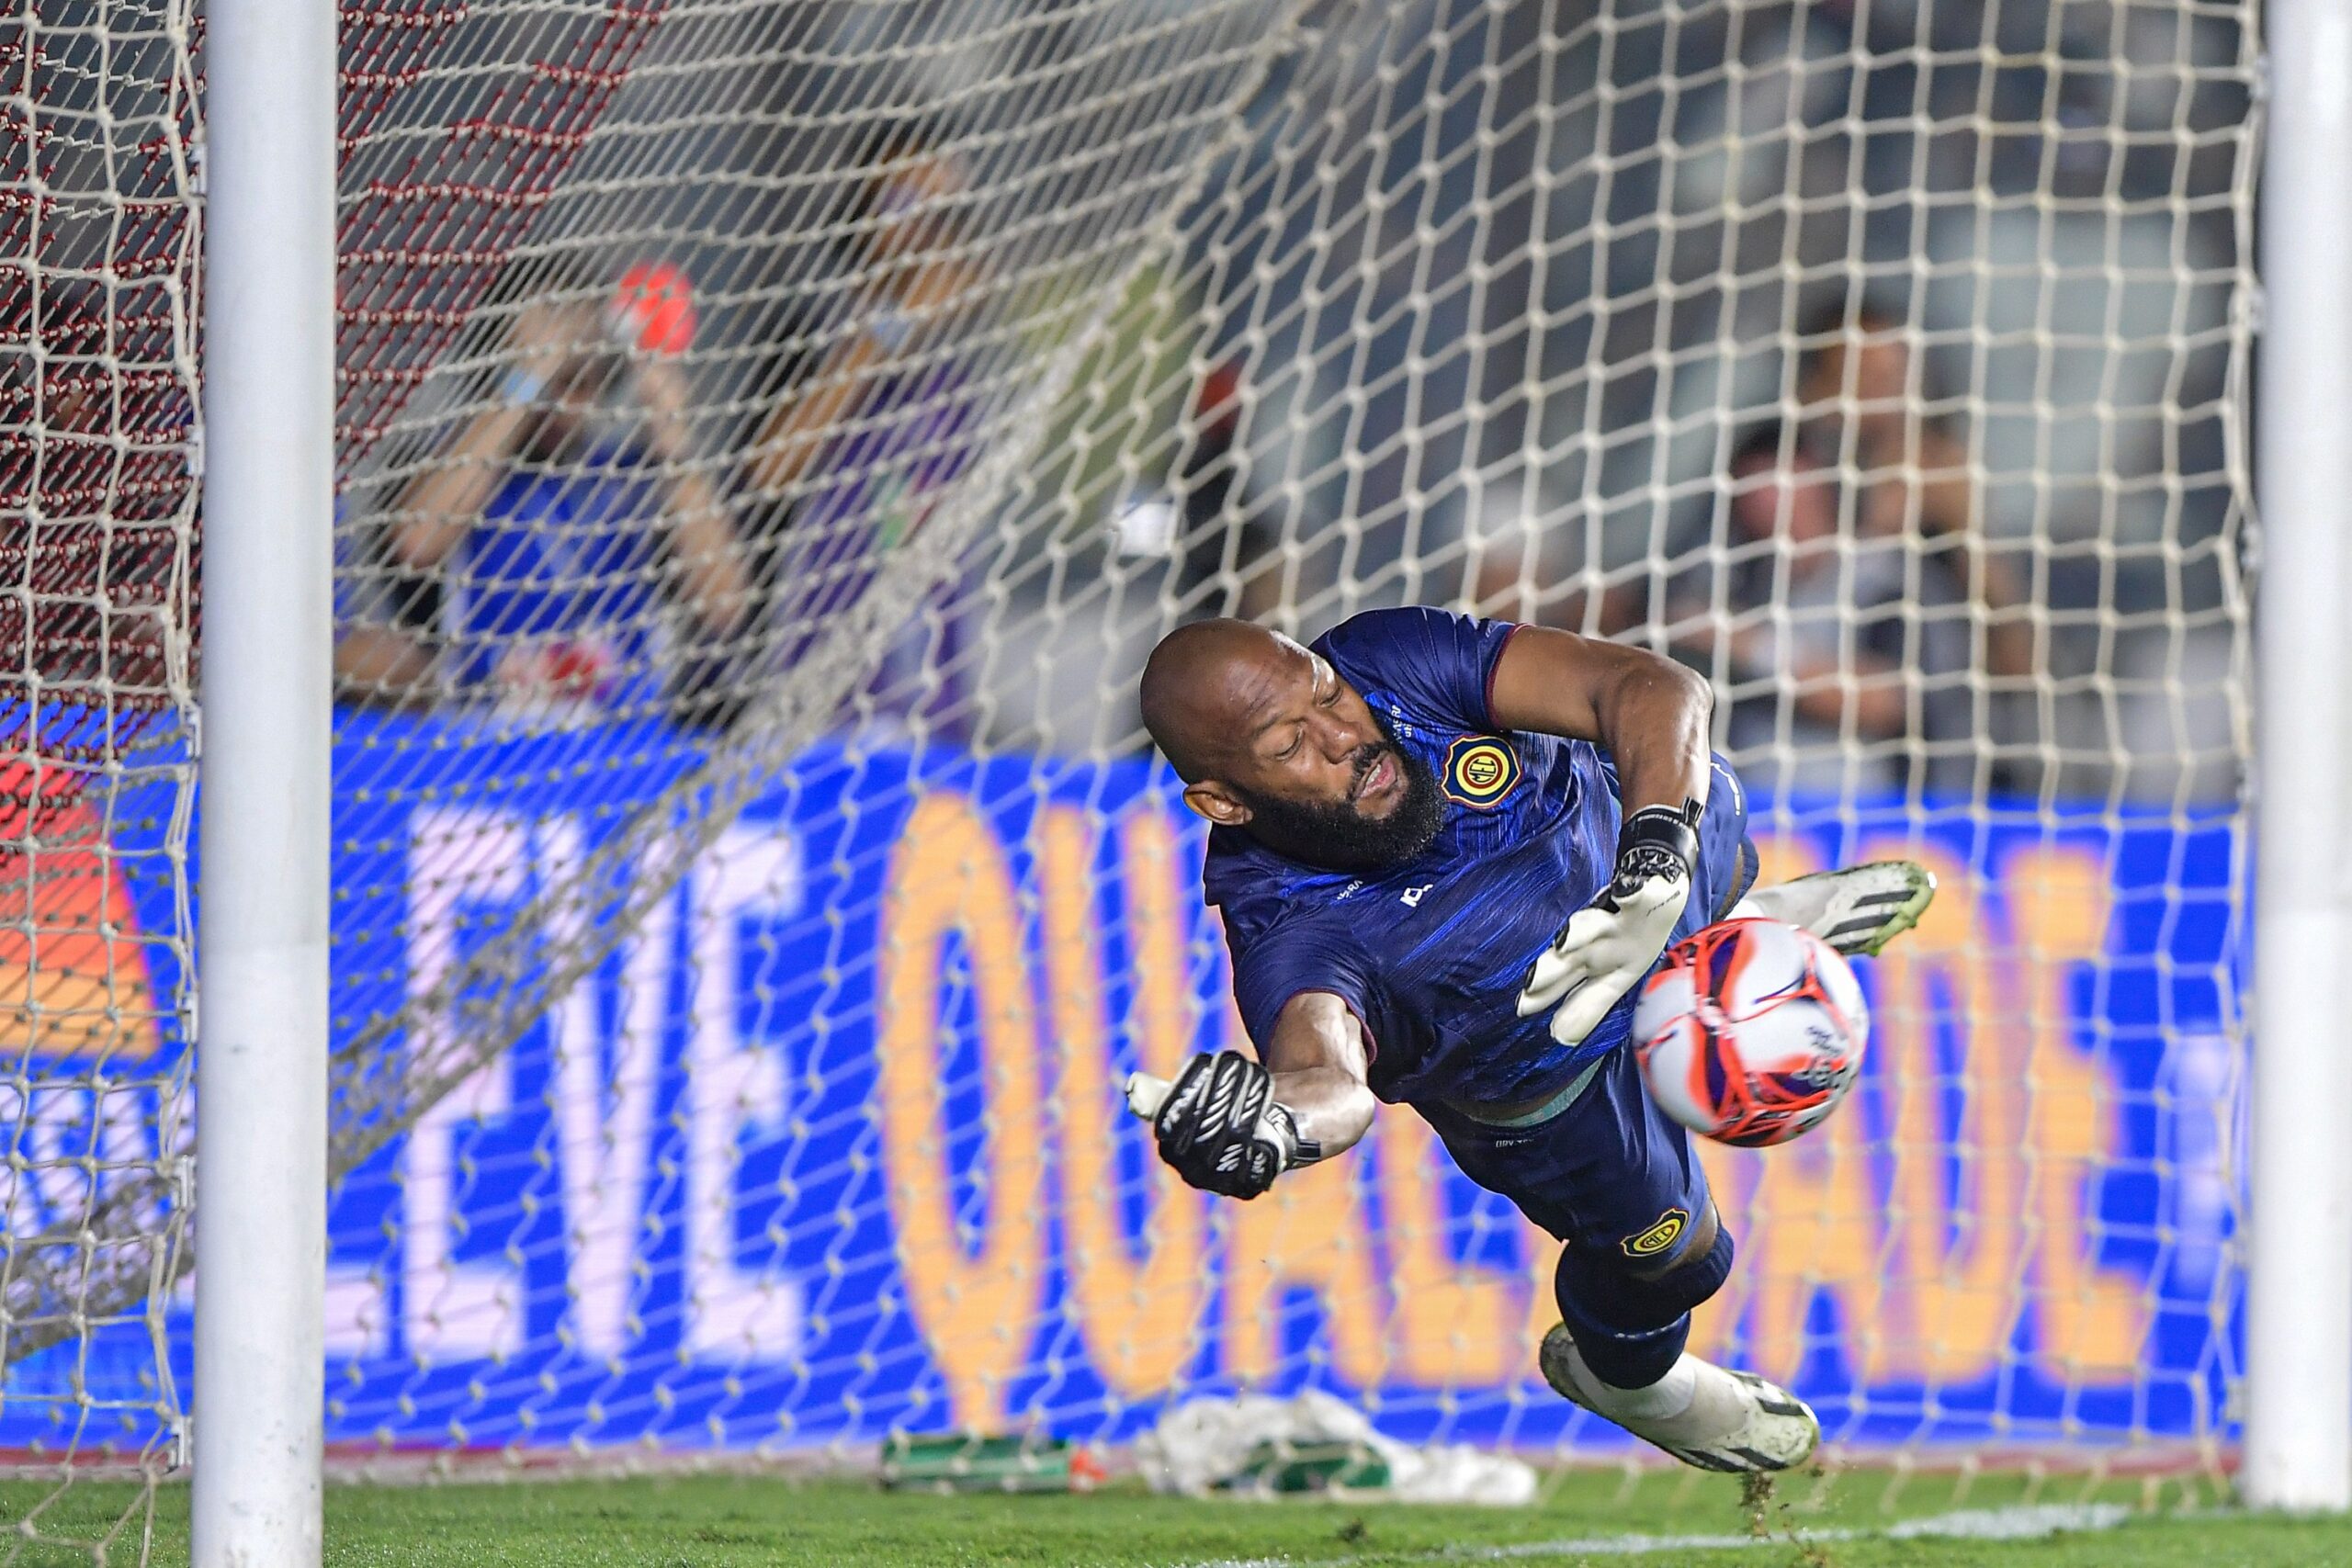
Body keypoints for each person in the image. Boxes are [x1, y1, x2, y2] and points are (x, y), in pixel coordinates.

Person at [1134, 606, 1936, 1472]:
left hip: (1633, 869)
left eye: (1326, 694)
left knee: (1704, 791)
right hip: (1557, 1090)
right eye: (1290, 745)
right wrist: (1273, 1122)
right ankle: (1637, 1387)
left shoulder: (1391, 661)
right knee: (1679, 1262)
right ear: (1225, 801)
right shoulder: (1288, 917)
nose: (1344, 735)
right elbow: (1329, 1079)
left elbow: (1653, 686)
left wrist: (1657, 861)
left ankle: (1719, 931)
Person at [334, 268, 749, 721]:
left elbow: (725, 606)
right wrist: (528, 378)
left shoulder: (635, 476)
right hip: (486, 741)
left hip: (622, 745)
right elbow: (414, 543)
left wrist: (670, 425)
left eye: (579, 380)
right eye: (553, 381)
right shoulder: (468, 467)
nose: (561, 401)